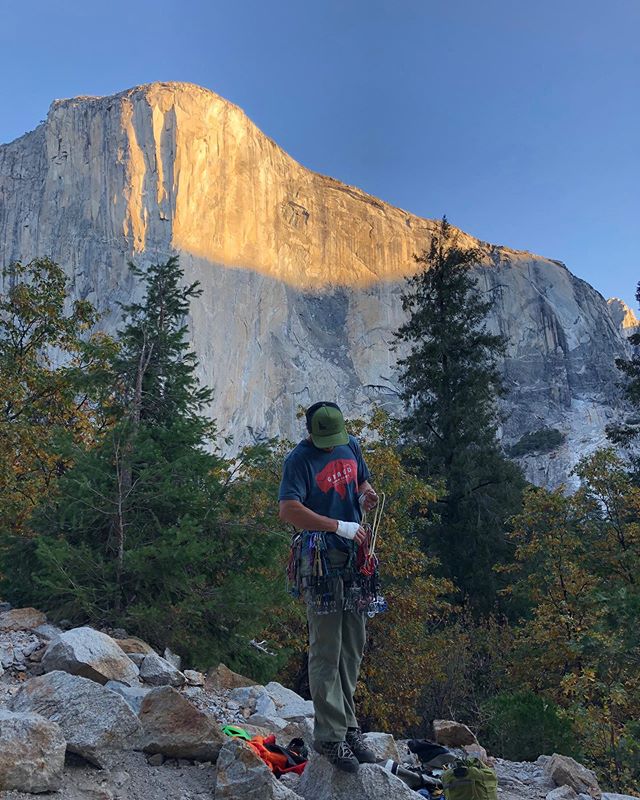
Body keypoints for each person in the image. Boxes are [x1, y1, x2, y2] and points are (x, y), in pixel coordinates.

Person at [278, 401, 379, 773]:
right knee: (326, 647)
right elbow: (288, 509)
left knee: (352, 645)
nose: (329, 445)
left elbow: (361, 481)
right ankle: (330, 737)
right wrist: (337, 526)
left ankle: (348, 726)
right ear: (311, 432)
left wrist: (365, 494)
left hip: (354, 558)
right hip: (321, 558)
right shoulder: (298, 460)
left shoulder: (350, 445)